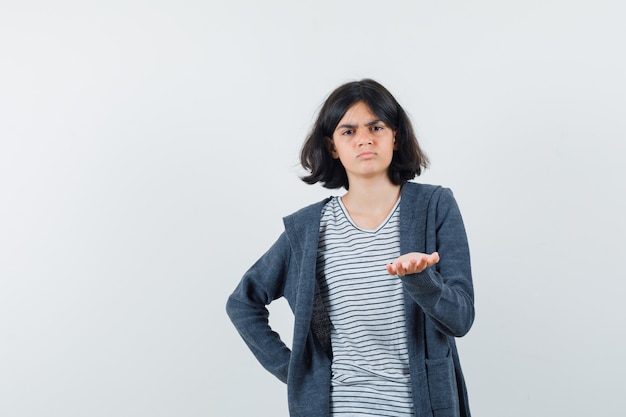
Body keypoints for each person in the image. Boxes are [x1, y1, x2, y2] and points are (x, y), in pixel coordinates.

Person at [226, 79, 474, 417]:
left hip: (424, 407)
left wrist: (421, 281)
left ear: (395, 135)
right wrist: (300, 372)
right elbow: (243, 303)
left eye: (376, 126)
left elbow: (460, 319)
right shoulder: (307, 230)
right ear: (331, 147)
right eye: (348, 131)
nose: (364, 139)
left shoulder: (435, 206)